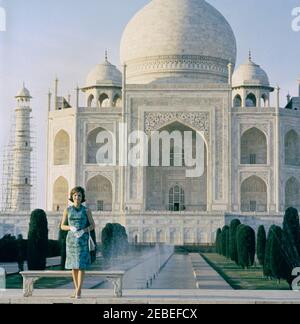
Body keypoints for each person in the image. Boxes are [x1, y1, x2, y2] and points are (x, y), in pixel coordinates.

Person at [60, 186, 95, 299]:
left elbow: (92, 225)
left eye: (79, 195)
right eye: (75, 195)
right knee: (73, 267)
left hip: (82, 240)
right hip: (71, 240)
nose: (77, 197)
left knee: (81, 266)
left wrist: (84, 230)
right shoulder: (67, 210)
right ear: (72, 197)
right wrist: (70, 228)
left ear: (82, 197)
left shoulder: (86, 210)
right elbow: (62, 226)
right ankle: (76, 289)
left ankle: (78, 291)